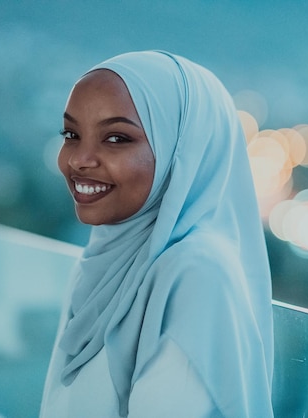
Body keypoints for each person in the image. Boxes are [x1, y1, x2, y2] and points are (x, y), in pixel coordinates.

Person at [40, 50, 274, 418]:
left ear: (181, 153)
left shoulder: (197, 274)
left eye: (116, 138)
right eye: (71, 134)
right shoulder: (104, 262)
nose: (78, 159)